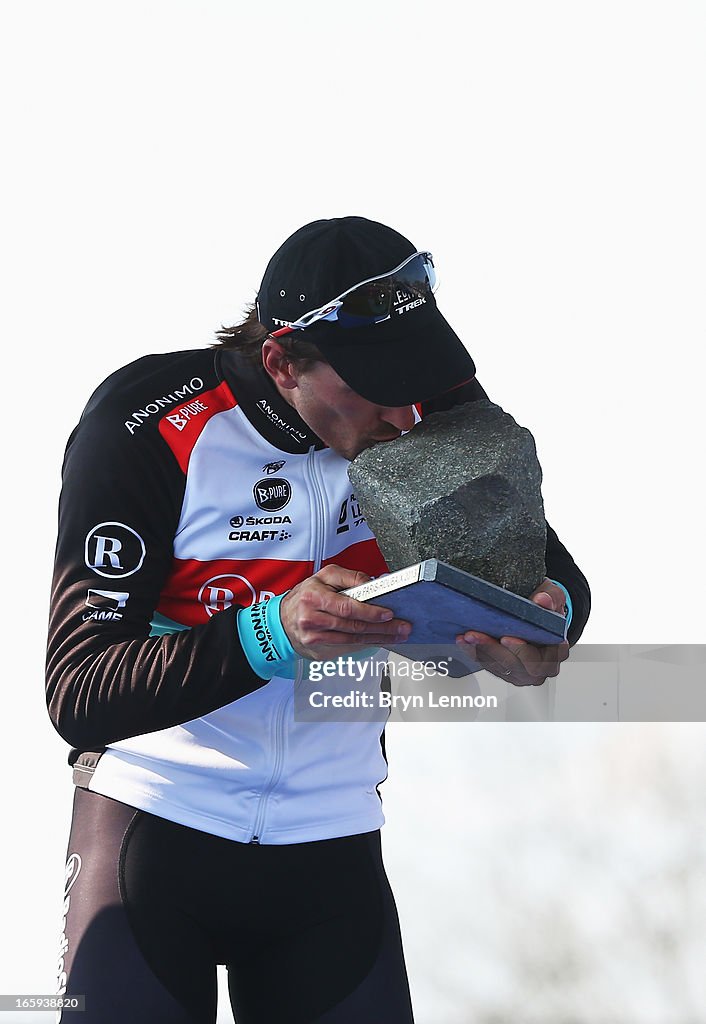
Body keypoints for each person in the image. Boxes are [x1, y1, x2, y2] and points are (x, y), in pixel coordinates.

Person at [46, 216, 590, 1023]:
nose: (406, 412)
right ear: (281, 359)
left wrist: (543, 627)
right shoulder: (152, 418)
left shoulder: (432, 409)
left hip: (332, 848)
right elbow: (79, 692)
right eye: (374, 380)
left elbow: (555, 576)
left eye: (415, 374)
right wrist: (270, 634)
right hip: (155, 830)